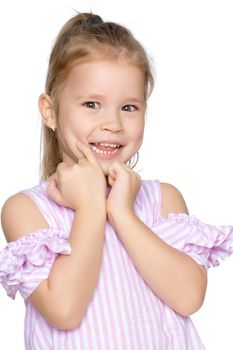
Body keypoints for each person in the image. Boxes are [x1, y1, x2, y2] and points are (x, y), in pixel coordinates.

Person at [0, 11, 233, 350]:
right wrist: (91, 206)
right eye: (92, 104)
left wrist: (121, 212)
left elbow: (188, 297)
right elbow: (65, 310)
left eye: (129, 107)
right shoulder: (27, 209)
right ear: (50, 111)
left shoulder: (162, 199)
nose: (112, 123)